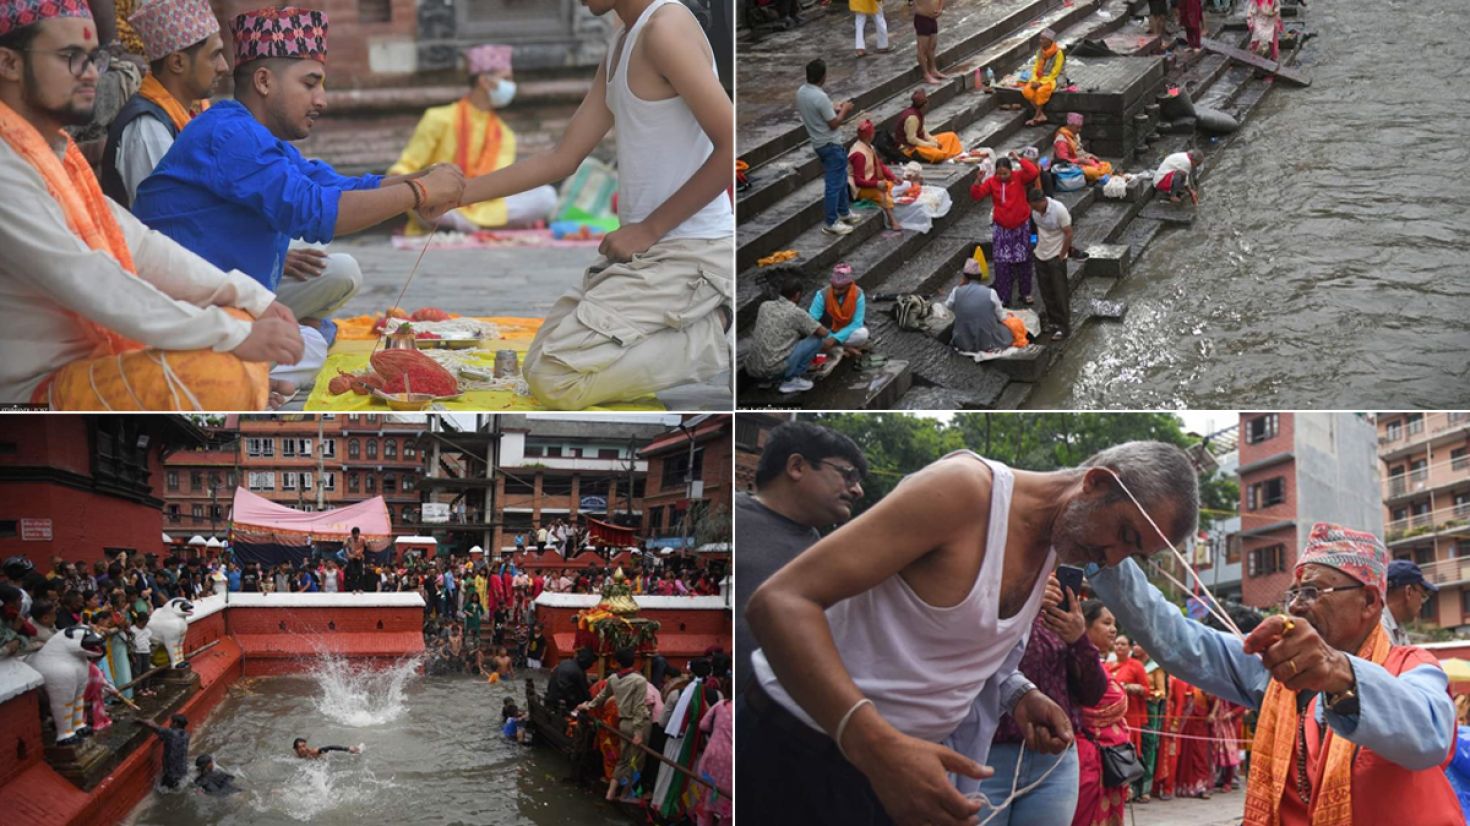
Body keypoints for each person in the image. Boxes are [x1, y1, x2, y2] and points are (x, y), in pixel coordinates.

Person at [741, 441, 1200, 824]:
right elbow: (779, 602)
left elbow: (953, 641)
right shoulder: (965, 491)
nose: (1112, 558)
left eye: (1132, 553)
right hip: (802, 748)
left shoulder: (1055, 547)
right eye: (1123, 533)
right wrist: (875, 746)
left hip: (896, 767)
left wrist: (1018, 693)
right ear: (1096, 482)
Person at [0, 0, 306, 409]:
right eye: (71, 57)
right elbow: (88, 278)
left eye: (95, 58)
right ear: (8, 64)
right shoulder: (9, 164)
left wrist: (250, 298)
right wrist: (233, 336)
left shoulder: (57, 151)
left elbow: (138, 244)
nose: (91, 73)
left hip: (100, 349)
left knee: (244, 320)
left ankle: (250, 380)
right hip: (33, 390)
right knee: (222, 369)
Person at [442, 0, 733, 410]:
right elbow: (562, 157)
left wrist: (647, 229)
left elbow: (732, 142)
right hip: (646, 258)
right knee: (537, 360)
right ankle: (685, 323)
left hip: (691, 252)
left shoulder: (665, 28)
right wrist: (457, 194)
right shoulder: (622, 43)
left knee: (554, 379)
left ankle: (718, 331)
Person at [132, 6, 466, 342]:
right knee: (309, 345)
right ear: (264, 81)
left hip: (233, 296)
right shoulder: (230, 135)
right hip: (187, 313)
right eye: (310, 84)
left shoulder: (253, 135)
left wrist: (424, 178)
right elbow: (315, 212)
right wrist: (419, 192)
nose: (321, 100)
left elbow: (334, 185)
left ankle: (296, 333)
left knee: (338, 279)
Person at [1090, 522, 1462, 824]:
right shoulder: (1277, 666)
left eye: (1315, 591)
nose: (1298, 604)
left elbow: (1430, 736)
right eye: (1295, 592)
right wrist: (1102, 549)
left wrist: (1336, 671)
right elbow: (1178, 638)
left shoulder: (1412, 665)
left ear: (1368, 601)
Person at [733, 420, 865, 692]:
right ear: (797, 467)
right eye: (848, 475)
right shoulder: (730, 518)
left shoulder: (821, 553)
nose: (857, 490)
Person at [973, 574, 1103, 825]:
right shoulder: (989, 601)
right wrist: (1021, 608)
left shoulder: (1061, 622)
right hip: (986, 755)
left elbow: (1093, 693)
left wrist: (1079, 640)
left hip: (1054, 764)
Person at [390, 44, 555, 234]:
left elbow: (499, 183)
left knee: (546, 196)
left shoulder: (504, 134)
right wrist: (398, 185)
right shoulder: (438, 117)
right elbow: (406, 166)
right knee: (424, 200)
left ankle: (469, 226)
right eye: (506, 79)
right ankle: (475, 226)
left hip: (485, 204)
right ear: (484, 81)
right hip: (441, 200)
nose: (512, 86)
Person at [99, 0, 224, 209]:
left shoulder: (194, 111)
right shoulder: (148, 129)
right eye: (214, 56)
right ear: (177, 63)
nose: (224, 66)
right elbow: (170, 219)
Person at [1075, 600, 1129, 826]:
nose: (1113, 630)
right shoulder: (1076, 662)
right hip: (1086, 758)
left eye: (1114, 624)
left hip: (1109, 760)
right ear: (1084, 626)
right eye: (1106, 623)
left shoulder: (1101, 665)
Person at [578, 647, 651, 802]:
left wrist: (588, 705)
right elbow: (638, 707)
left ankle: (610, 793)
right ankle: (626, 795)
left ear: (617, 663)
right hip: (638, 723)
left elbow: (601, 697)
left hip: (623, 722)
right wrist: (638, 732)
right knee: (636, 761)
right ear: (634, 661)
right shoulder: (640, 680)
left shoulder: (613, 679)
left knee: (623, 760)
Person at [796, 58, 856, 236]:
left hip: (818, 142)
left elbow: (820, 112)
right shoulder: (820, 96)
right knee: (833, 184)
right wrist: (845, 109)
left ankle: (844, 212)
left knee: (842, 178)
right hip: (830, 144)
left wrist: (833, 107)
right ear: (823, 77)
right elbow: (834, 123)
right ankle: (831, 222)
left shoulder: (801, 92)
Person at [970, 154, 1040, 307]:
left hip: (1021, 227)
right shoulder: (991, 182)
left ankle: (1025, 293)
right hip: (1002, 230)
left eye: (1005, 173)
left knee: (1024, 261)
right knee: (1002, 264)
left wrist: (1019, 158)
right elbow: (976, 195)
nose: (1002, 177)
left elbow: (1033, 172)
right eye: (999, 174)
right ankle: (1004, 296)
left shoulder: (1019, 177)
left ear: (1011, 171)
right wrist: (978, 180)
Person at [745, 272, 830, 395]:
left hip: (753, 370)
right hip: (774, 370)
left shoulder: (764, 306)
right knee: (816, 340)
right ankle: (791, 380)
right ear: (797, 295)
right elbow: (822, 333)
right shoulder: (797, 313)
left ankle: (765, 381)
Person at [1028, 188, 1073, 341]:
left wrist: (1062, 255)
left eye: (1036, 206)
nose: (1035, 210)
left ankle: (1064, 325)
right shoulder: (1034, 213)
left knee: (1059, 291)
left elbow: (1068, 233)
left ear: (1043, 201)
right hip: (1041, 252)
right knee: (1046, 290)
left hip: (1056, 254)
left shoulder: (1059, 210)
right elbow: (1038, 230)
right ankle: (1053, 321)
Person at [943, 258, 1012, 353]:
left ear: (964, 277)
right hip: (988, 342)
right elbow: (1001, 317)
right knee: (1005, 331)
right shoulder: (991, 293)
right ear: (980, 277)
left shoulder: (956, 291)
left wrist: (960, 287)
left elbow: (947, 307)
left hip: (963, 341)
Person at [847, 119, 899, 230]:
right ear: (869, 136)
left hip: (871, 180)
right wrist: (876, 184)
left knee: (896, 186)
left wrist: (893, 177)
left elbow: (879, 165)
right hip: (859, 188)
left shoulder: (869, 147)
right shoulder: (859, 154)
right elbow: (858, 181)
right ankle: (892, 221)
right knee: (883, 194)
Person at [809, 263, 869, 353]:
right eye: (834, 287)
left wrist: (835, 339)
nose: (836, 292)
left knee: (862, 334)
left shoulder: (858, 294)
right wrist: (828, 335)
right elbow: (812, 319)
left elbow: (857, 323)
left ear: (849, 285)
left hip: (847, 331)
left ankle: (837, 345)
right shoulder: (822, 294)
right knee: (809, 332)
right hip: (826, 331)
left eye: (841, 289)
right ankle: (844, 346)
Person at [695, 689, 733, 826]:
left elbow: (703, 725)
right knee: (727, 810)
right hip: (731, 766)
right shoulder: (749, 713)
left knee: (705, 802)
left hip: (712, 758)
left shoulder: (721, 705)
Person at [895, 88, 963, 163]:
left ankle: (949, 155)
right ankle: (946, 156)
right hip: (910, 149)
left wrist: (933, 140)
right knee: (937, 155)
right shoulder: (912, 118)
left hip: (920, 142)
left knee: (951, 136)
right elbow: (911, 139)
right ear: (924, 104)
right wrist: (929, 145)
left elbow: (923, 132)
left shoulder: (917, 113)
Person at [1384, 558, 1437, 646]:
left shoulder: (1397, 628)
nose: (1422, 604)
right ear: (1408, 592)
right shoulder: (1379, 631)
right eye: (1423, 596)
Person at [1022, 29, 1066, 126]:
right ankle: (1041, 115)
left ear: (1049, 41)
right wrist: (1034, 80)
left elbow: (1055, 72)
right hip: (1039, 77)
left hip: (1053, 79)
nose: (1040, 41)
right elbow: (1036, 68)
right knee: (1027, 91)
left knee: (1040, 91)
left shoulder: (1058, 53)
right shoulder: (1040, 52)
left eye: (1043, 39)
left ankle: (1036, 116)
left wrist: (1041, 83)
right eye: (1040, 38)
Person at [1052, 113, 1113, 183]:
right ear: (1070, 126)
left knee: (1107, 165)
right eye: (1077, 127)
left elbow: (1080, 151)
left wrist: (1090, 156)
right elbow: (1063, 161)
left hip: (1081, 161)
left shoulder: (1075, 135)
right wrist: (1080, 161)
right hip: (1070, 167)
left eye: (1080, 127)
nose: (1079, 130)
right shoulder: (1061, 141)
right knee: (1094, 172)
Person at [140, 713, 191, 789]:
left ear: (175, 723)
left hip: (171, 774)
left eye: (171, 721)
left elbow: (151, 724)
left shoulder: (170, 733)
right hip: (182, 770)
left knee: (164, 790)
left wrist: (137, 720)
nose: (169, 724)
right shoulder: (186, 735)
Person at [546, 647, 596, 713]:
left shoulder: (564, 662)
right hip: (563, 704)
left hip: (552, 697)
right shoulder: (578, 672)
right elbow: (585, 693)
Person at [912, 0, 946, 84]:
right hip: (922, 19)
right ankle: (926, 74)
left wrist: (940, 8)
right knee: (922, 48)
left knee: (932, 46)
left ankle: (933, 69)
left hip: (932, 19)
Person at [344, 526, 366, 594]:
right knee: (352, 573)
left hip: (359, 557)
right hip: (352, 557)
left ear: (359, 533)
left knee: (360, 573)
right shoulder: (348, 539)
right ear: (352, 534)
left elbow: (366, 547)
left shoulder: (363, 539)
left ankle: (360, 588)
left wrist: (362, 554)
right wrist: (348, 555)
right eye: (354, 534)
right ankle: (353, 589)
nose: (355, 536)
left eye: (357, 534)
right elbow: (345, 547)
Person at [292, 737, 360, 758]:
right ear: (296, 749)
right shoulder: (295, 755)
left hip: (324, 757)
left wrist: (347, 749)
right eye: (300, 747)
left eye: (304, 746)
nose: (303, 749)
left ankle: (353, 749)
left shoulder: (313, 752)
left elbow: (330, 747)